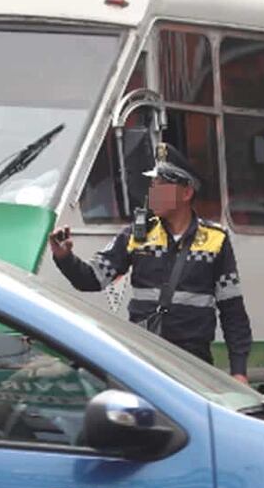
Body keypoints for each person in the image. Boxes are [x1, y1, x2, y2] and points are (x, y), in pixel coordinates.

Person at [50, 145, 253, 382]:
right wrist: (64, 258)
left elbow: (233, 311)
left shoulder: (215, 239)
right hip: (144, 356)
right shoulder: (137, 234)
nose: (152, 193)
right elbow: (92, 279)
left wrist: (239, 371)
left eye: (160, 186)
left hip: (192, 362)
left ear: (186, 193)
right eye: (152, 185)